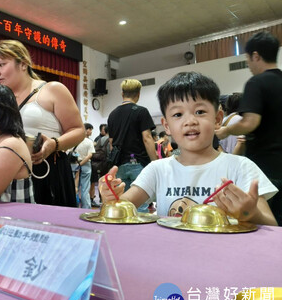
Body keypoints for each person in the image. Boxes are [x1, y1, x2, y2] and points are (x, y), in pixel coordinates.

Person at [100, 72, 278, 226]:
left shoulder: (240, 167)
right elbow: (125, 204)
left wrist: (249, 214)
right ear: (166, 126)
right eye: (178, 114)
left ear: (218, 119)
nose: (190, 121)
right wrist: (111, 196)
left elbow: (272, 225)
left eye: (200, 112)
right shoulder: (158, 169)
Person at [0, 39, 85, 207]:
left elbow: (78, 130)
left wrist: (53, 145)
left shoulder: (52, 89)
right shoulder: (0, 100)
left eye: (1, 64)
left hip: (48, 170)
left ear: (23, 64)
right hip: (11, 173)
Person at [216, 31, 282, 225]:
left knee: (270, 223)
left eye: (247, 59)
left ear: (256, 56)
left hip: (268, 167)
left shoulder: (257, 82)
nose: (249, 65)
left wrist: (226, 130)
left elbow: (249, 123)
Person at [107, 79, 158, 212]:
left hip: (120, 165)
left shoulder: (112, 114)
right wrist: (155, 162)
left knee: (122, 202)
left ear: (122, 93)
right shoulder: (141, 111)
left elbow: (111, 143)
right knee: (140, 205)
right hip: (138, 163)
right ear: (138, 94)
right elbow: (147, 138)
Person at [70, 123, 95, 208]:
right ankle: (86, 208)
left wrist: (78, 164)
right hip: (86, 165)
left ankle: (74, 206)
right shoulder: (89, 142)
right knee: (85, 188)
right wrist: (82, 163)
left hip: (73, 164)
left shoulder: (73, 140)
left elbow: (68, 152)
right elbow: (90, 155)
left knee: (74, 186)